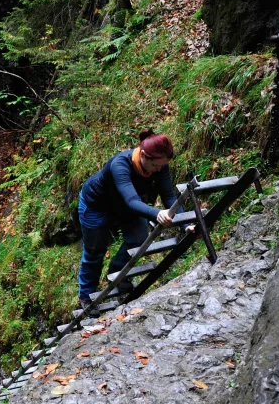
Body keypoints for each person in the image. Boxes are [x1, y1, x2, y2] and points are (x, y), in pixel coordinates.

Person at [77, 130, 194, 316]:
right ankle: (86, 297)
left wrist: (184, 222)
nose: (158, 169)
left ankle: (117, 274)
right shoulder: (120, 165)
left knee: (138, 237)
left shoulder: (160, 165)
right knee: (95, 251)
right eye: (155, 166)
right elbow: (132, 201)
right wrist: (157, 214)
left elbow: (169, 195)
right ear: (144, 156)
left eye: (161, 166)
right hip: (96, 206)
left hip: (125, 205)